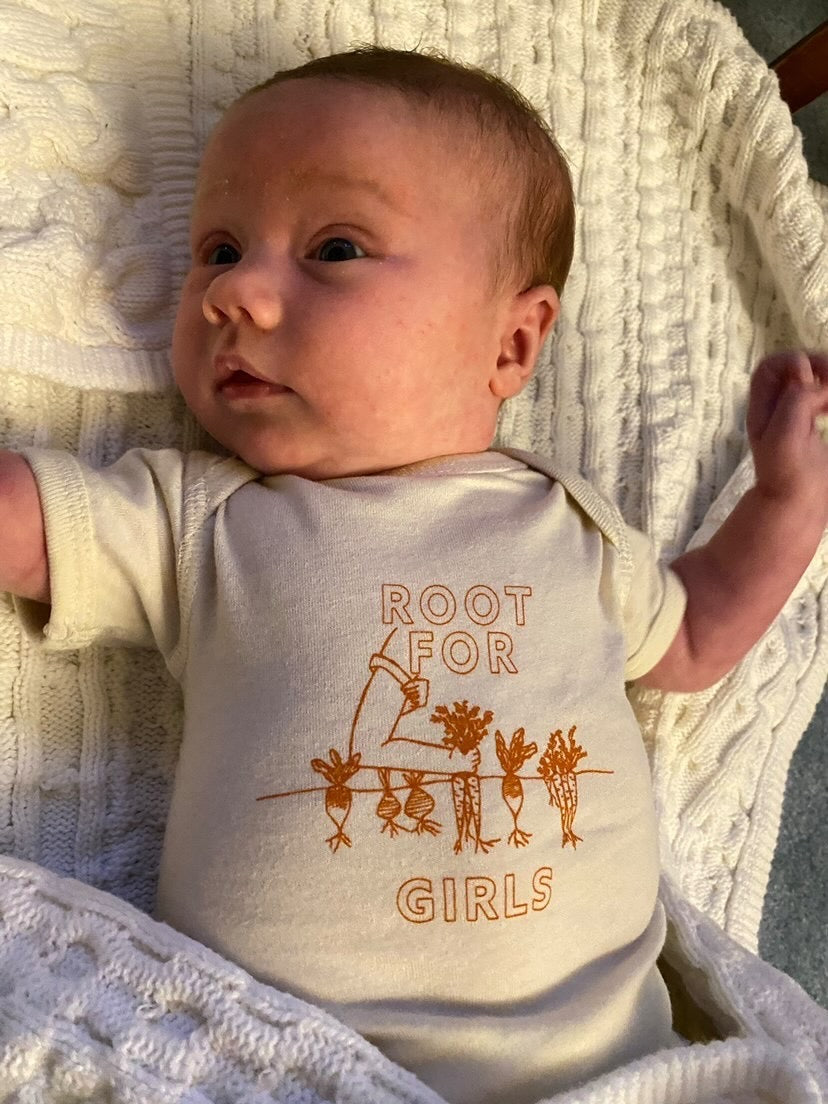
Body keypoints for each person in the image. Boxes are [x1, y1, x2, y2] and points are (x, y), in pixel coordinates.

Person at [1, 47, 827, 1104]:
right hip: (277, 1066)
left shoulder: (571, 528)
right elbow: (30, 521)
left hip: (612, 1069)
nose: (233, 294)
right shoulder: (200, 519)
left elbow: (700, 637)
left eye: (335, 248)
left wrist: (788, 500)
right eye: (218, 250)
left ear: (513, 343)